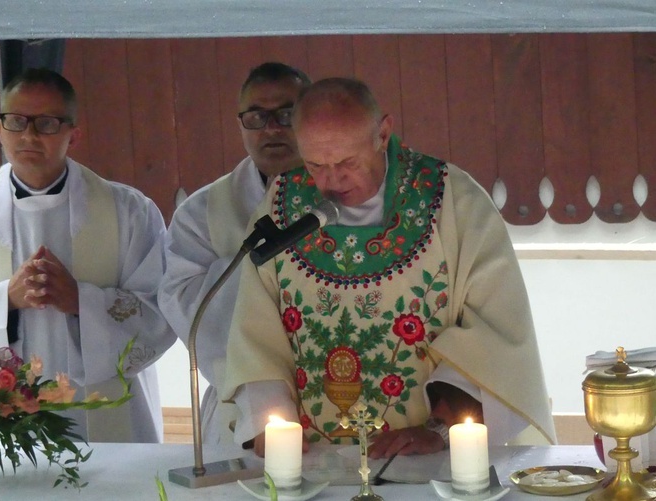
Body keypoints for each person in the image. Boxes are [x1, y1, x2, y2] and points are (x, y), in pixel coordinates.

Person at [222, 77, 557, 458]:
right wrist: (272, 426)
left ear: (382, 133)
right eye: (316, 163)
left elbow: (496, 329)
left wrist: (442, 430)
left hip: (429, 455)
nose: (331, 181)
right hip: (315, 461)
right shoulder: (281, 205)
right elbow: (256, 334)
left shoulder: (452, 200)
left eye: (347, 162)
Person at [0, 68, 176, 443]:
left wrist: (80, 300)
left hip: (110, 420)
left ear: (74, 133)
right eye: (17, 121)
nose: (29, 135)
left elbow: (160, 314)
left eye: (47, 123)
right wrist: (4, 299)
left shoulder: (130, 213)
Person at [157, 62, 311, 444]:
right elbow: (184, 302)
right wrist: (278, 274)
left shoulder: (347, 197)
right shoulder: (200, 211)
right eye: (257, 116)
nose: (272, 128)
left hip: (340, 391)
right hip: (240, 409)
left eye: (286, 114)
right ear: (240, 124)